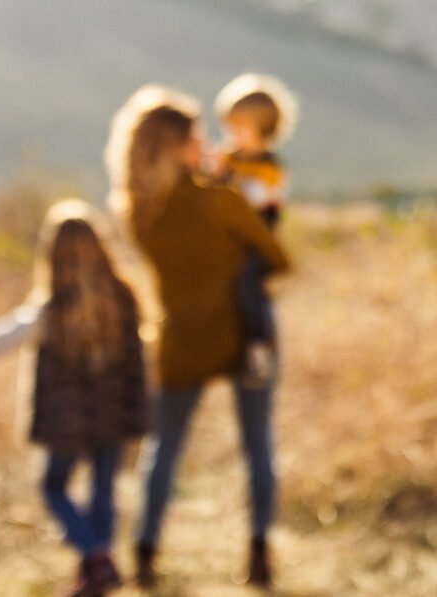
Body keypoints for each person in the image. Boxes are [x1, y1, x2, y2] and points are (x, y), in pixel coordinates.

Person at [106, 85, 292, 588]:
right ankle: (258, 552)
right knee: (258, 445)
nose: (208, 140)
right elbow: (277, 255)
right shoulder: (218, 201)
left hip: (180, 336)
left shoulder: (137, 212)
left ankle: (144, 553)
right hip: (245, 331)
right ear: (180, 145)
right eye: (197, 135)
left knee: (162, 449)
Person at [0, 200, 149, 596]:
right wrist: (138, 412)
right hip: (113, 416)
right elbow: (139, 363)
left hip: (66, 423)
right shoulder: (124, 298)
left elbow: (1, 339)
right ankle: (97, 564)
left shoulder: (51, 306)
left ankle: (95, 557)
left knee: (54, 487)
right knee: (103, 493)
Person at [210, 73, 299, 388]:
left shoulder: (270, 167)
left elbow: (257, 200)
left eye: (239, 127)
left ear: (263, 130)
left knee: (248, 285)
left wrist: (228, 180)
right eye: (229, 126)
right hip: (230, 241)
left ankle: (259, 347)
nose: (232, 135)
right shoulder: (228, 158)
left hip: (258, 243)